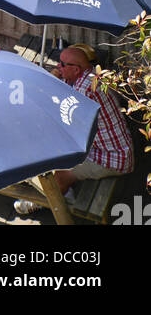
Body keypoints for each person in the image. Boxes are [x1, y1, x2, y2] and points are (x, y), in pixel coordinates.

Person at [14, 44, 134, 215]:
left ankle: (58, 197)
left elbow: (61, 122)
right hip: (109, 145)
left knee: (59, 170)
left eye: (62, 64)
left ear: (76, 70)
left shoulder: (83, 92)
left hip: (113, 158)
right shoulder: (90, 75)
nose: (57, 66)